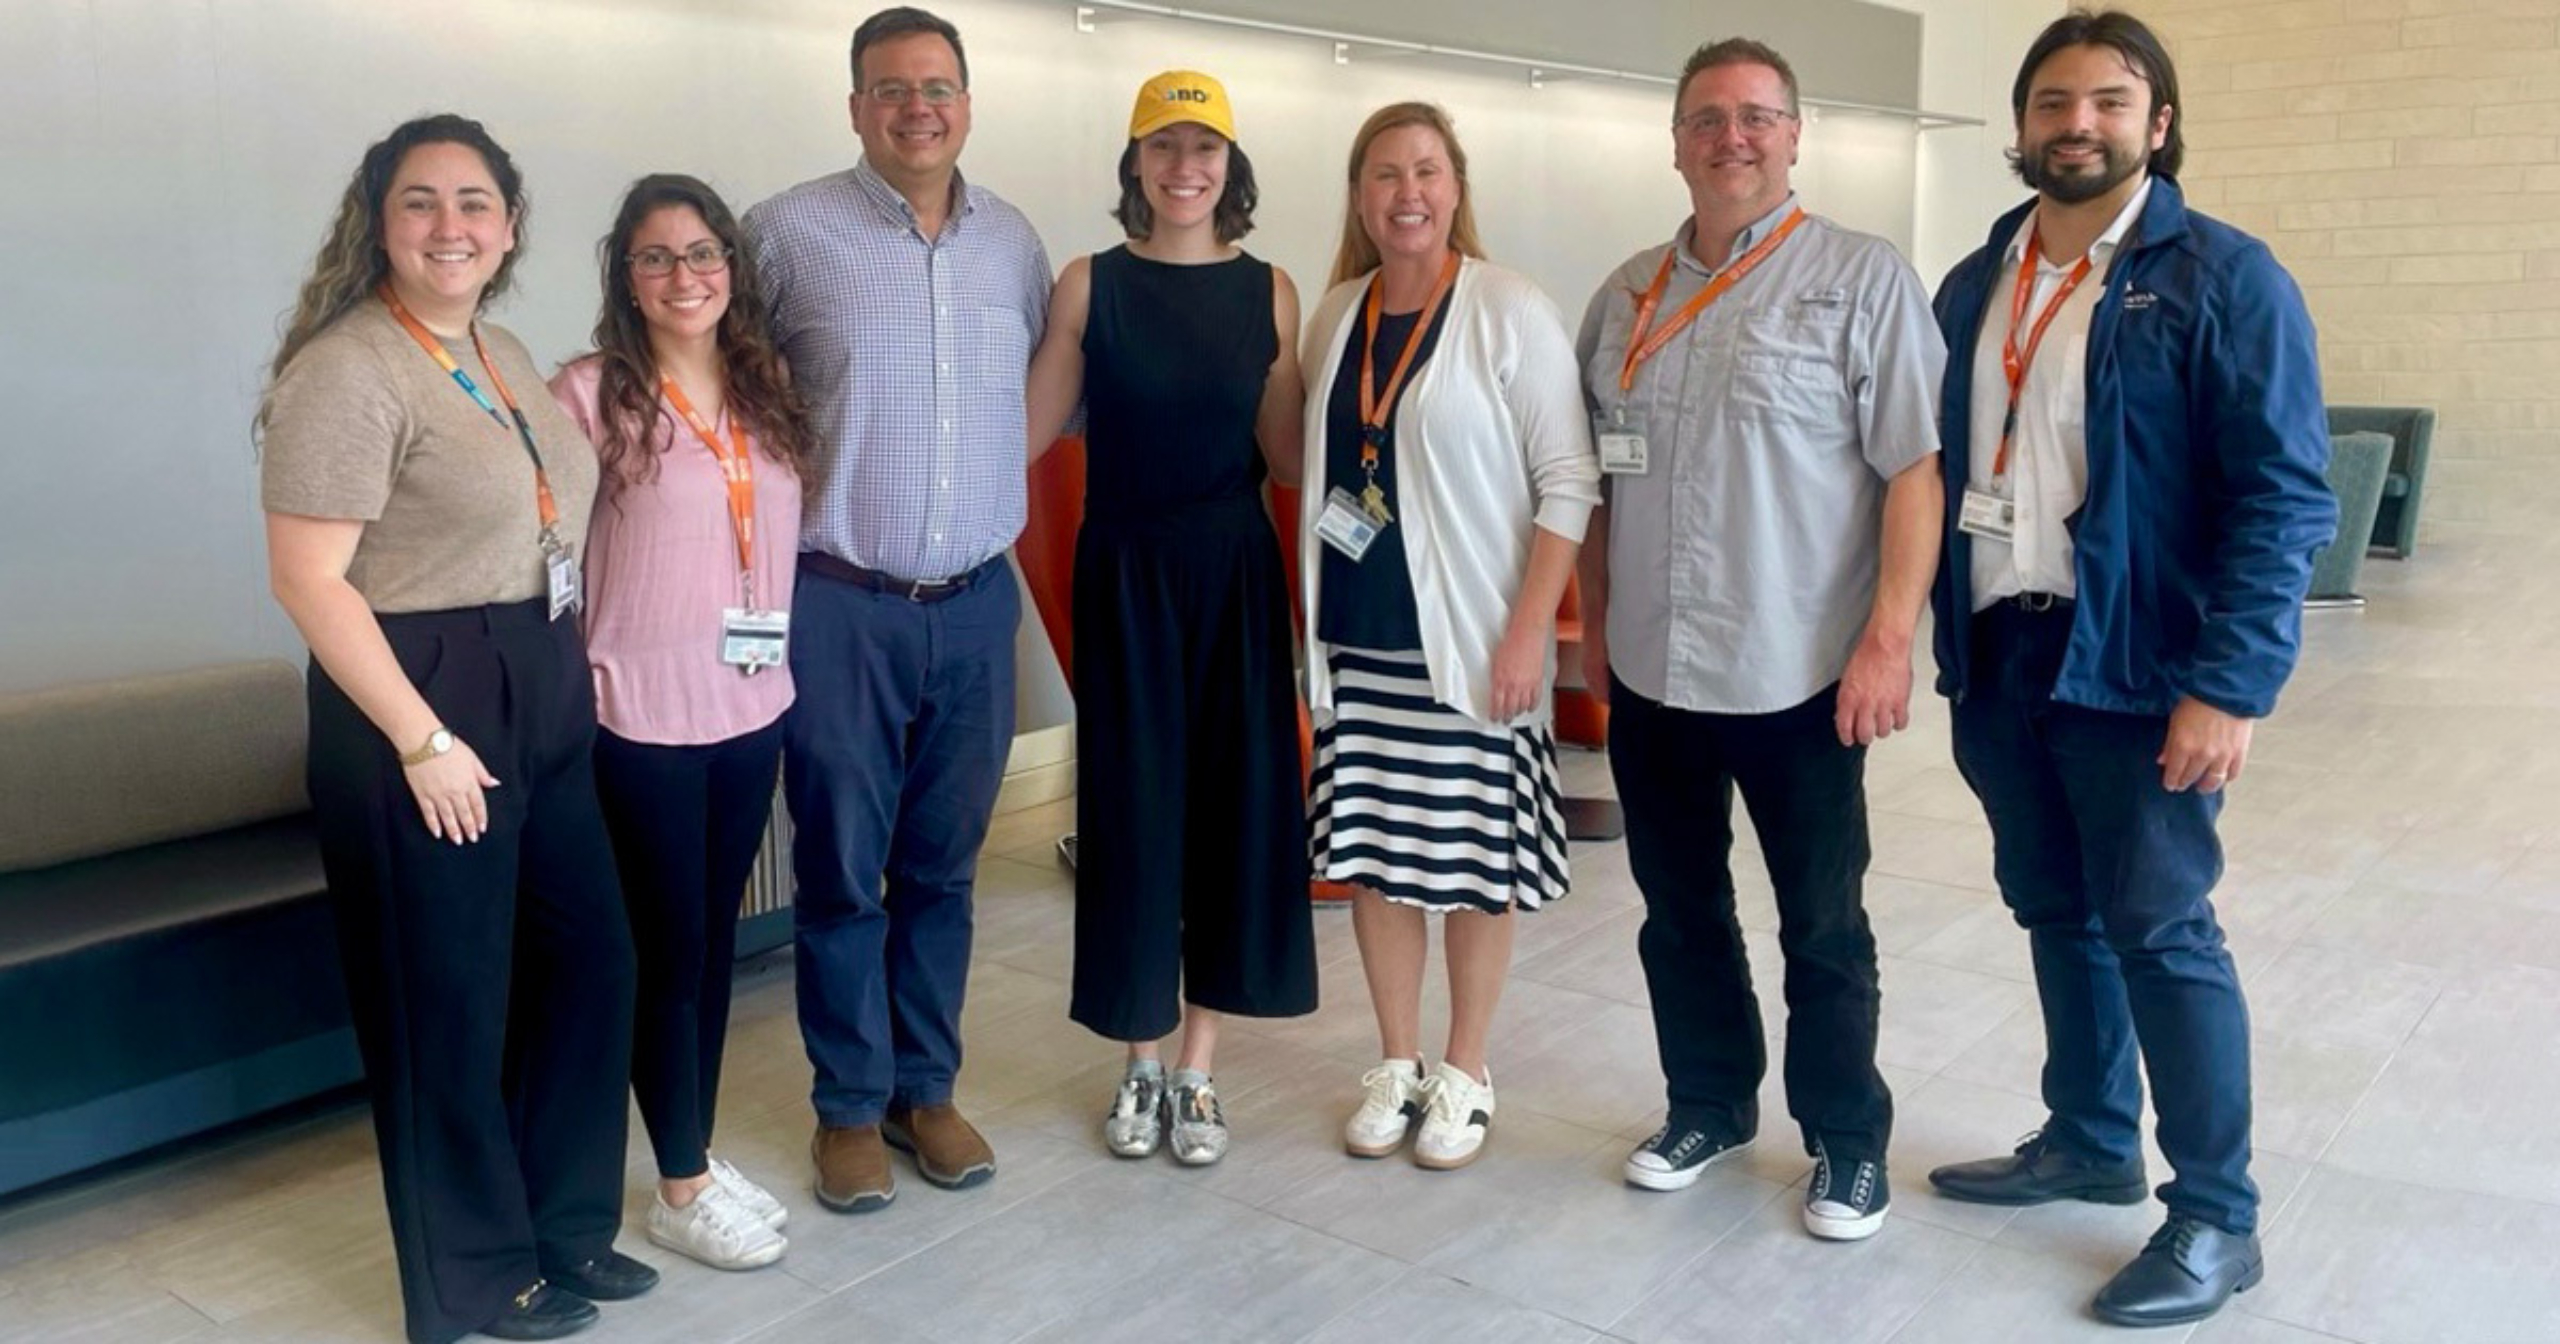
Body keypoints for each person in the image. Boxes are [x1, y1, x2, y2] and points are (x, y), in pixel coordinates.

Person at [1922, 10, 2334, 1326]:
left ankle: (2218, 1218)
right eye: (2053, 102)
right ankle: (2089, 1136)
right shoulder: (1977, 277)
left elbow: (2283, 496)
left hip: (2141, 662)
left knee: (2161, 926)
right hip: (2002, 648)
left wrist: (2232, 684)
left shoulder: (2223, 275)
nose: (2077, 124)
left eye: (2109, 100)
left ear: (2157, 123)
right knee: (2054, 905)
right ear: (2022, 125)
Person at [258, 114, 648, 1343]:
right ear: (380, 221)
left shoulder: (500, 346)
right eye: (420, 203)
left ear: (511, 226)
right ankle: (474, 1277)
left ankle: (566, 1229)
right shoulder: (348, 367)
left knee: (590, 966)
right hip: (419, 695)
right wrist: (423, 741)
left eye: (474, 203)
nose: (450, 226)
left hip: (536, 677)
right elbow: (310, 581)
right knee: (452, 1006)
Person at [1574, 38, 1945, 1241]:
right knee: (1676, 911)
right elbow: (1592, 488)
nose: (1731, 137)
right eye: (1706, 119)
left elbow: (1912, 473)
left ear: (1795, 135)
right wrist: (1592, 644)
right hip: (1651, 670)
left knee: (1822, 926)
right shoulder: (1624, 295)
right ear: (1674, 142)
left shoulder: (1862, 278)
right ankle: (1708, 1103)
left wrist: (1888, 640)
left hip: (1800, 671)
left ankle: (1844, 1140)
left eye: (1756, 117)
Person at [742, 5, 1052, 1214]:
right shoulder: (784, 235)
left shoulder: (1014, 243)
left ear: (966, 103)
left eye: (937, 86)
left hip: (978, 607)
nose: (916, 106)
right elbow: (730, 399)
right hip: (838, 603)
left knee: (947, 869)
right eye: (889, 88)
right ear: (856, 106)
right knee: (840, 869)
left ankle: (928, 1088)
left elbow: (1043, 401)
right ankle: (847, 1109)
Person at [1024, 70, 1316, 1167]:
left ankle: (1198, 1069)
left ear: (1229, 168)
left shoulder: (1270, 292)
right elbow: (1025, 434)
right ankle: (1139, 1061)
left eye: (1204, 150)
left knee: (1233, 813)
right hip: (1127, 572)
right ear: (1134, 164)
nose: (1183, 168)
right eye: (1163, 147)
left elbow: (1287, 456)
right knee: (1134, 816)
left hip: (1235, 569)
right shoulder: (1087, 286)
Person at [1302, 102, 1599, 1172]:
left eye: (1426, 171)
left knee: (1474, 863)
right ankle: (1398, 1060)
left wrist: (1530, 634)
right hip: (1360, 641)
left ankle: (1466, 1068)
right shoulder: (1335, 314)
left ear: (1456, 186)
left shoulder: (1507, 307)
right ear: (1358, 195)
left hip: (1473, 646)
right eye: (1383, 174)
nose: (1406, 193)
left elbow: (1568, 480)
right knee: (1377, 860)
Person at [549, 174, 808, 1271]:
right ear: (625, 276)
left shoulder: (766, 386)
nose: (683, 277)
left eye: (703, 254)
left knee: (710, 947)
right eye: (656, 258)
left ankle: (685, 1149)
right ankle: (682, 1186)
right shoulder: (588, 392)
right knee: (667, 952)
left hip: (751, 706)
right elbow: (548, 564)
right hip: (637, 717)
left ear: (732, 271)